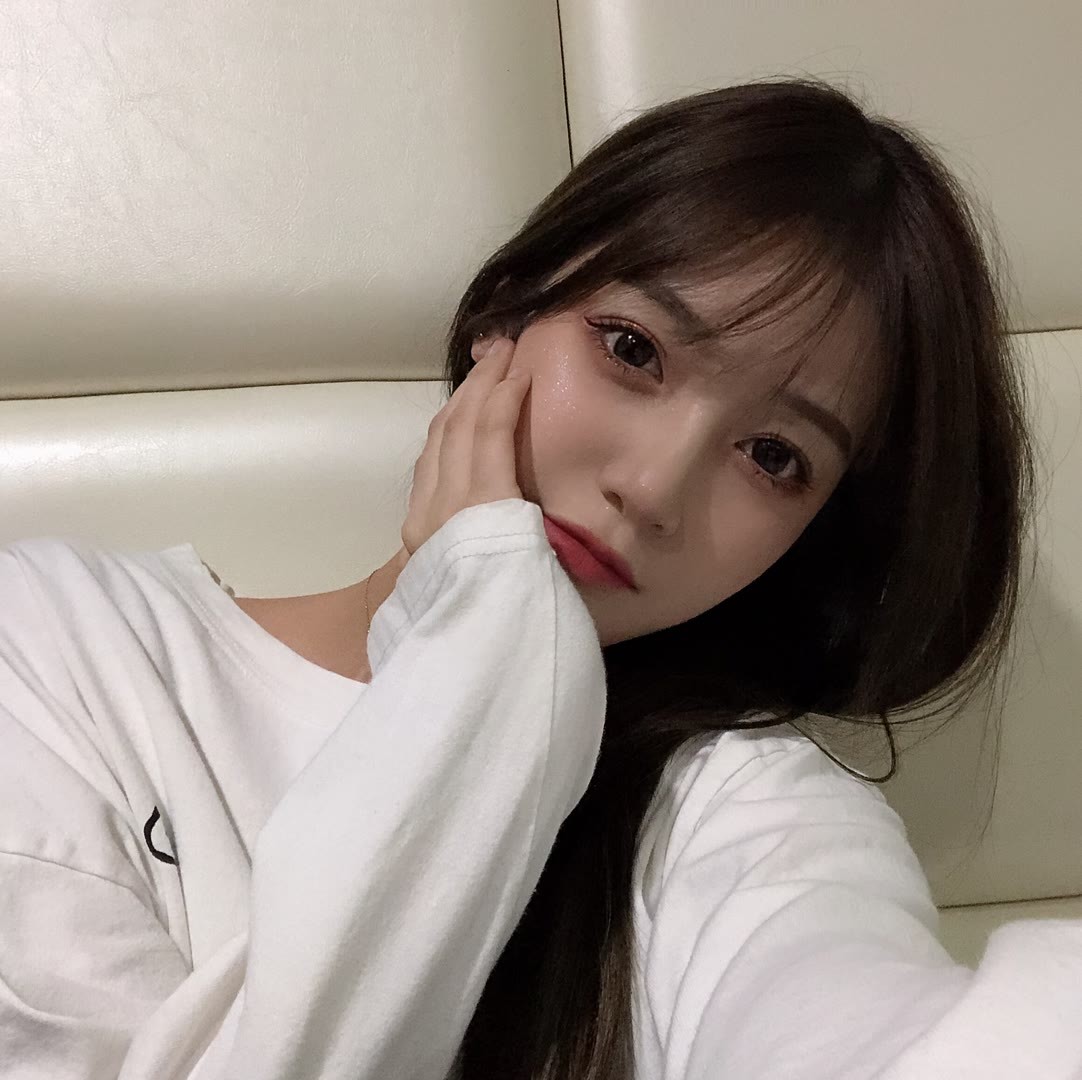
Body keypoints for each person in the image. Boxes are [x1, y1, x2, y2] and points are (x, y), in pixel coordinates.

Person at [1, 76, 1079, 1080]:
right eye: (633, 350)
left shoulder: (732, 804)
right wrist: (482, 649)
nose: (652, 488)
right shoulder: (63, 645)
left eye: (772, 457)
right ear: (502, 320)